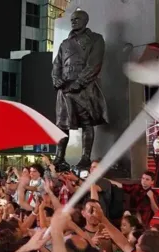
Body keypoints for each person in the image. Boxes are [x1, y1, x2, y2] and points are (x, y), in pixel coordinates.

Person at [52, 10, 107, 170]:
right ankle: (59, 157)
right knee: (62, 124)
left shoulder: (96, 39)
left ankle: (85, 157)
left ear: (86, 20)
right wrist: (57, 79)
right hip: (64, 90)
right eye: (72, 19)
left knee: (86, 122)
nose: (74, 21)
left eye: (77, 19)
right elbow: (57, 65)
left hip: (84, 88)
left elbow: (94, 64)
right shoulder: (64, 43)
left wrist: (79, 82)